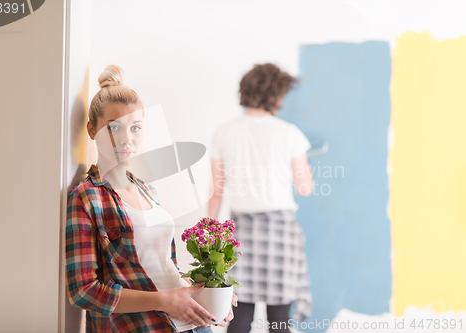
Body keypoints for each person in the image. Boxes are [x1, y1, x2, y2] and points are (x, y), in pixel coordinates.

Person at [65, 64, 236, 333]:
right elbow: (84, 291)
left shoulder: (148, 190)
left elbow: (164, 267)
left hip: (191, 323)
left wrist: (211, 295)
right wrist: (163, 301)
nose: (125, 139)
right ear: (91, 130)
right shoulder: (86, 198)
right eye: (114, 128)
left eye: (135, 128)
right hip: (143, 326)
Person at [208, 63, 314, 333]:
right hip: (280, 232)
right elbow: (305, 187)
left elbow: (216, 191)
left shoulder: (224, 132)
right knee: (279, 322)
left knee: (239, 317)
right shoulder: (289, 133)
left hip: (241, 232)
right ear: (276, 95)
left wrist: (208, 233)